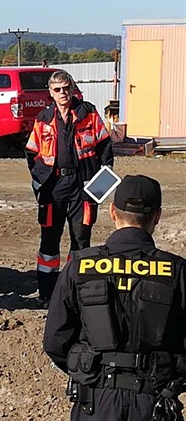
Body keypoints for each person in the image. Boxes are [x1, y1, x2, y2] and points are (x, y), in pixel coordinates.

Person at [44, 175, 186, 421]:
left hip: (95, 402)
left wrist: (87, 372)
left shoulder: (81, 265)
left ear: (111, 212)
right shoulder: (178, 270)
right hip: (154, 403)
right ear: (158, 216)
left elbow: (55, 340)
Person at [26, 70, 113, 306]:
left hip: (83, 186)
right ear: (50, 93)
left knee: (82, 240)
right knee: (49, 242)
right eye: (58, 90)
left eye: (66, 88)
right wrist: (39, 182)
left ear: (72, 88)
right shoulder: (43, 118)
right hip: (53, 188)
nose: (63, 93)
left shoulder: (89, 113)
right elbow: (32, 153)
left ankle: (77, 292)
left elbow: (106, 150)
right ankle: (47, 293)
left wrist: (100, 188)